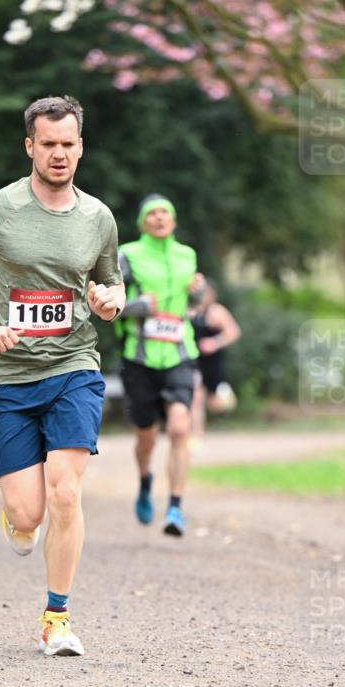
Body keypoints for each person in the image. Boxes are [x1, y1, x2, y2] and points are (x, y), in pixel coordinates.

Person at [0, 95, 126, 658]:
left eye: (68, 143)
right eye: (48, 144)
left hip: (74, 366)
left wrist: (109, 300)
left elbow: (112, 287)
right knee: (28, 514)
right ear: (30, 146)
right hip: (10, 376)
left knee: (66, 494)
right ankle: (17, 516)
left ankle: (57, 618)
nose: (59, 154)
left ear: (80, 146)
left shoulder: (98, 218)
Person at [117, 194, 204, 537]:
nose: (158, 218)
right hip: (139, 358)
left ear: (174, 221)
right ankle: (144, 481)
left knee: (181, 428)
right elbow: (107, 303)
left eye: (164, 213)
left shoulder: (187, 255)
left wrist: (198, 292)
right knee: (147, 437)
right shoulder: (128, 254)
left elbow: (194, 300)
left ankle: (176, 507)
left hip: (180, 353)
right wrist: (138, 305)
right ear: (141, 223)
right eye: (151, 213)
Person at [189, 279, 241, 440]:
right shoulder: (190, 311)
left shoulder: (217, 312)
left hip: (213, 362)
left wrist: (215, 342)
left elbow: (234, 332)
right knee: (196, 397)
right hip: (195, 361)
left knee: (216, 404)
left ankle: (227, 398)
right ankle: (196, 435)